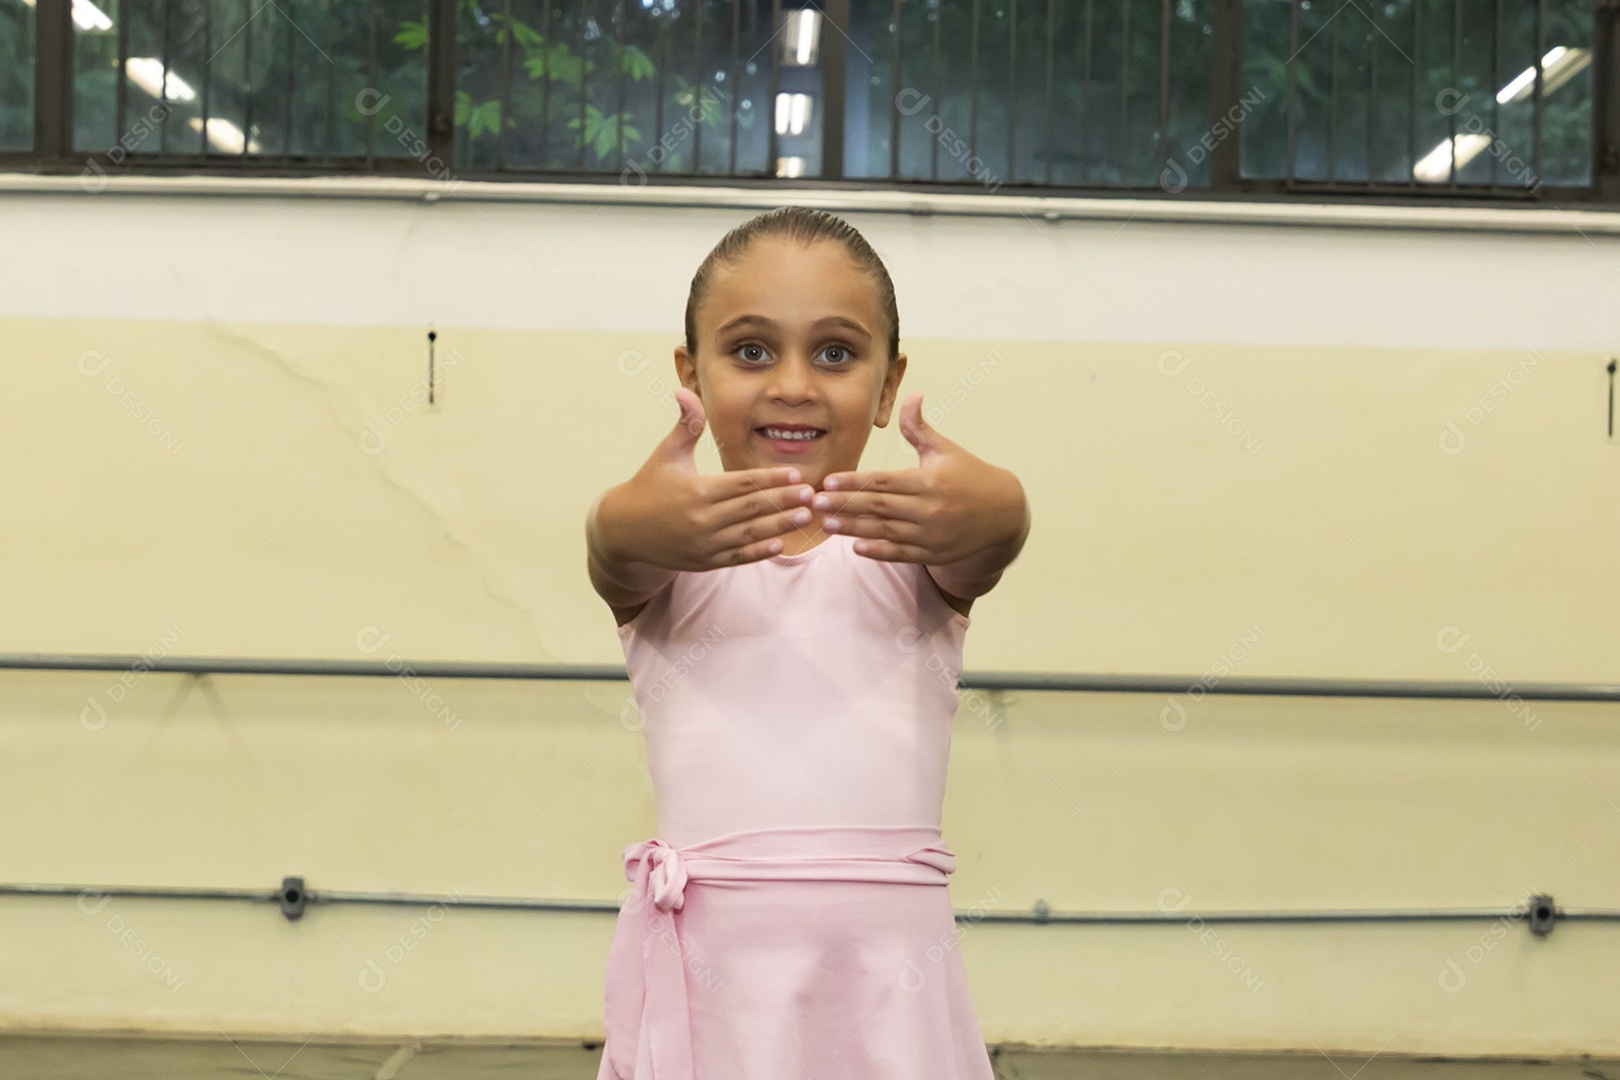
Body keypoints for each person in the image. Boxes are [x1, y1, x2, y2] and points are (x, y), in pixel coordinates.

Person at [584, 205, 1030, 1080]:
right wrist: (629, 519)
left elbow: (995, 531)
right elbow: (612, 541)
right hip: (717, 984)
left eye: (835, 352)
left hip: (887, 985)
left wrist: (998, 503)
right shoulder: (668, 552)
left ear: (888, 385)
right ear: (692, 372)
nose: (793, 383)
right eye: (751, 351)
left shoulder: (911, 556)